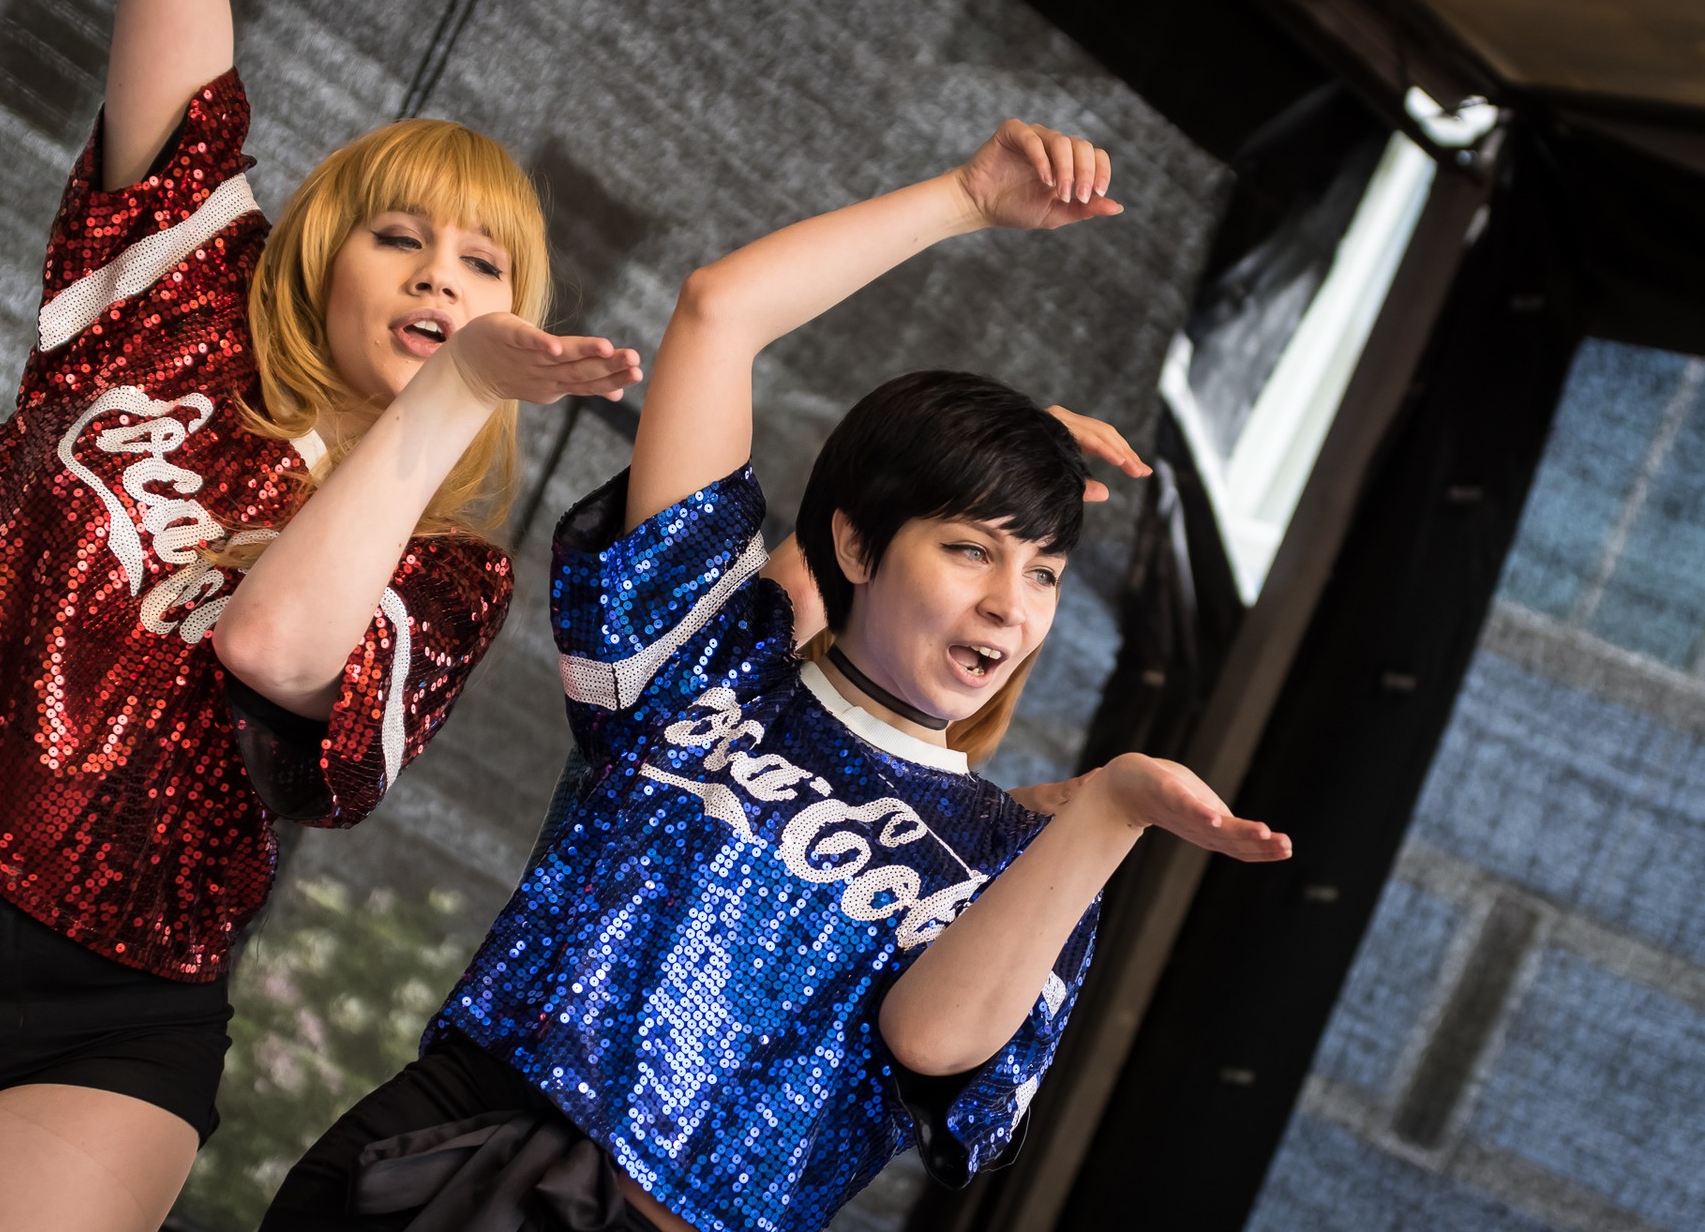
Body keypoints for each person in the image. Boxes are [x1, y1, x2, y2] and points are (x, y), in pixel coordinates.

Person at [259, 119, 1292, 1232]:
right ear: (857, 542)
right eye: (970, 549)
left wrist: (1115, 807)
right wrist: (964, 197)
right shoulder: (715, 659)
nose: (1011, 602)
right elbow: (719, 311)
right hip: (439, 1151)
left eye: (1043, 571)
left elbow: (932, 1040)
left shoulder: (1017, 852)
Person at [0, 0, 640, 1230]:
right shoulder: (176, 302)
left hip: (114, 1018)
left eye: (483, 263)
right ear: (323, 256)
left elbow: (274, 645)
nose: (438, 278)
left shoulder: (451, 574)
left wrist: (456, 392)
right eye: (399, 236)